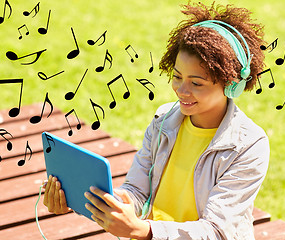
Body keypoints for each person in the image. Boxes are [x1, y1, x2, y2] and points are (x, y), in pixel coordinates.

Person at [43, 2, 270, 239]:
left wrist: (144, 230)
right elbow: (137, 192)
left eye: (196, 83)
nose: (182, 90)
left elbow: (215, 231)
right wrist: (94, 200)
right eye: (177, 76)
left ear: (232, 85)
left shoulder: (248, 145)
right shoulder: (164, 121)